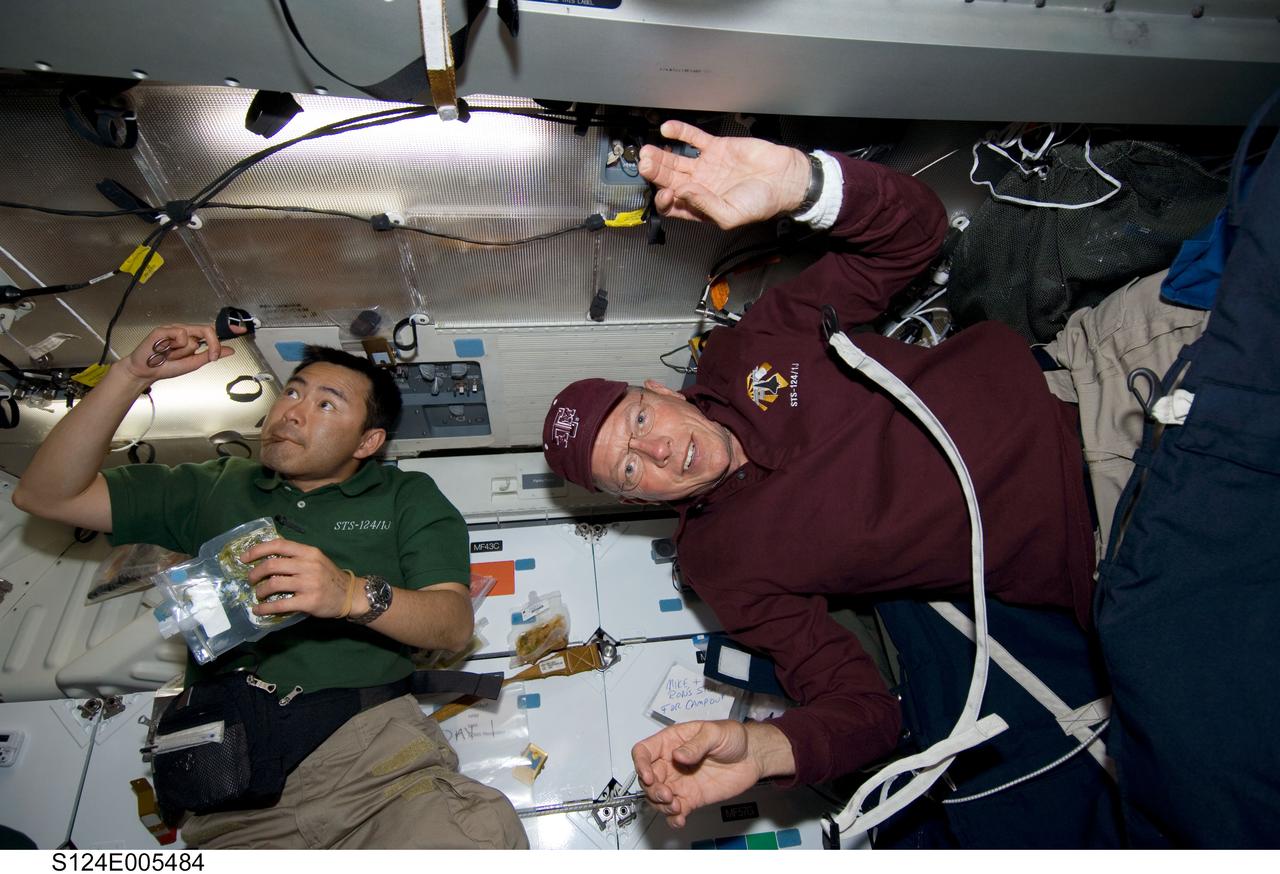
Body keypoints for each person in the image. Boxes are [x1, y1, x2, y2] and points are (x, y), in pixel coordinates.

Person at [542, 120, 1207, 829]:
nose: (658, 452)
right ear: (631, 498)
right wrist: (767, 749)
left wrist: (803, 185)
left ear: (660, 390)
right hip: (1119, 535)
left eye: (641, 421)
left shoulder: (751, 346)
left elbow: (915, 235)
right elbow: (866, 714)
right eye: (629, 469)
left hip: (1101, 377)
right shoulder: (723, 567)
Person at [12, 326, 528, 849]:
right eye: (293, 392)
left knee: (481, 836)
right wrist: (128, 376)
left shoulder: (405, 496)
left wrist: (348, 593)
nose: (293, 411)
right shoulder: (214, 485)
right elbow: (47, 496)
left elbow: (452, 625)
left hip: (375, 770)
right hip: (234, 794)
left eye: (326, 404)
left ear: (367, 442)